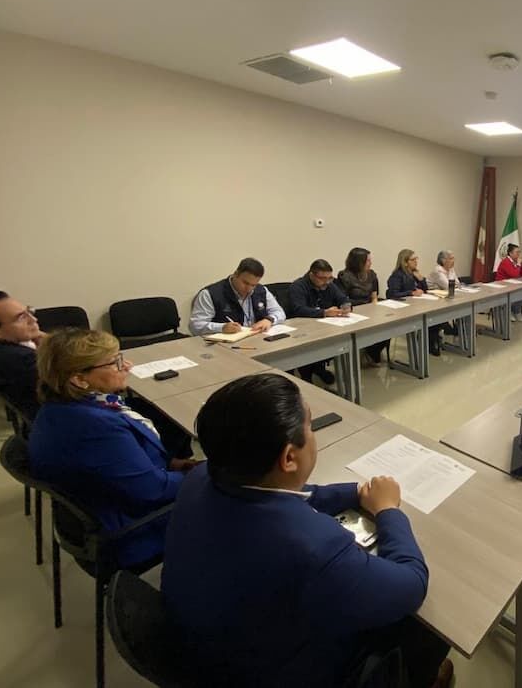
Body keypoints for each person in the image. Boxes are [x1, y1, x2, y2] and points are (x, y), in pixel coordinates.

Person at [161, 373, 452, 688]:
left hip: (202, 649)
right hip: (275, 670)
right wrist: (388, 510)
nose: (313, 434)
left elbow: (289, 495)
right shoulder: (315, 549)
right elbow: (412, 583)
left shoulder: (203, 475)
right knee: (433, 625)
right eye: (310, 426)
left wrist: (356, 492)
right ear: (289, 457)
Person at [29, 329, 199, 568]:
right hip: (129, 531)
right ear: (79, 379)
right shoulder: (95, 428)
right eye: (114, 362)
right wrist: (206, 473)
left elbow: (125, 463)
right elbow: (153, 491)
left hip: (108, 502)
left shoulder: (63, 407)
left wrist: (175, 464)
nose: (127, 366)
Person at [0, 291, 45, 420]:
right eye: (21, 318)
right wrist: (53, 346)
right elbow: (79, 384)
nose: (33, 319)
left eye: (29, 311)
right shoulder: (21, 360)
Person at [288, 259, 351, 385]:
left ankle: (319, 368)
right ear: (312, 275)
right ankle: (307, 374)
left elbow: (343, 298)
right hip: (303, 330)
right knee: (310, 348)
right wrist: (324, 313)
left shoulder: (329, 285)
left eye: (329, 278)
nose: (327, 282)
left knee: (335, 342)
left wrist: (346, 306)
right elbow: (298, 309)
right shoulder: (298, 286)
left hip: (324, 328)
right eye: (322, 278)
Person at [189, 257, 286, 336]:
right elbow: (195, 326)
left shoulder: (261, 290)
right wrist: (221, 328)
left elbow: (280, 312)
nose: (249, 289)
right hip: (224, 345)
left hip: (256, 339)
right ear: (236, 274)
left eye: (253, 285)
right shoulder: (210, 294)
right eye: (245, 283)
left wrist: (269, 320)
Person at [387, 249, 444, 356]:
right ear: (405, 262)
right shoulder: (397, 275)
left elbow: (425, 289)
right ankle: (429, 343)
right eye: (413, 259)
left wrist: (421, 279)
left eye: (416, 259)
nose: (416, 261)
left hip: (416, 305)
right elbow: (393, 294)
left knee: (435, 315)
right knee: (429, 318)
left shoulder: (414, 273)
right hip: (403, 310)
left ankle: (431, 341)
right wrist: (411, 293)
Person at [337, 247, 388, 366]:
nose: (370, 263)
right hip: (355, 310)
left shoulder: (371, 274)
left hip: (370, 308)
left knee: (387, 324)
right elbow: (342, 299)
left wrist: (375, 307)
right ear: (358, 262)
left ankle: (372, 352)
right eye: (368, 260)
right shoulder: (345, 276)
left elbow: (374, 295)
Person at [494, 243, 522, 321]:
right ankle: (508, 311)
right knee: (517, 295)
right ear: (510, 253)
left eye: (519, 252)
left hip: (513, 285)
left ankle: (516, 310)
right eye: (517, 252)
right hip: (503, 286)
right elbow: (514, 274)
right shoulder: (505, 262)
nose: (519, 254)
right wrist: (519, 264)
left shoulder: (516, 261)